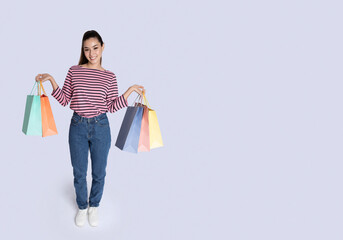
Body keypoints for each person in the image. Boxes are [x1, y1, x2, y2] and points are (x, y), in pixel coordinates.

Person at [35, 30, 145, 227]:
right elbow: (64, 100)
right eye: (87, 49)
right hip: (77, 126)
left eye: (95, 48)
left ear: (103, 47)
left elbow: (111, 107)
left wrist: (129, 91)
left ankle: (94, 206)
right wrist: (51, 80)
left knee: (99, 172)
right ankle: (82, 207)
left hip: (101, 127)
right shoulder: (74, 71)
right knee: (79, 171)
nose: (91, 53)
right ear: (83, 51)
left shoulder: (110, 77)